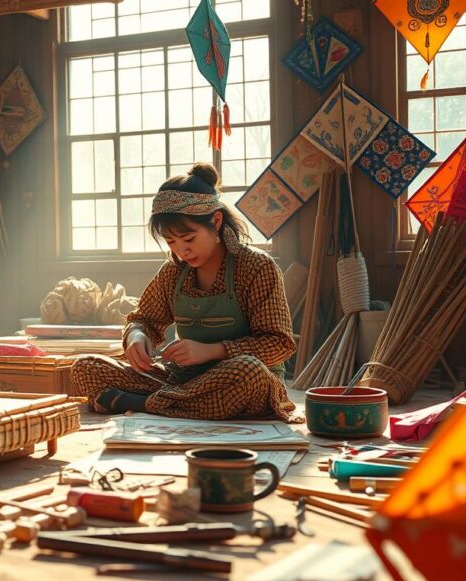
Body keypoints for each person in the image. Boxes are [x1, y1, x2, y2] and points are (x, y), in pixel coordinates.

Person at [70, 163, 301, 422]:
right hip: (183, 381)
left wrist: (213, 350)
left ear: (215, 221)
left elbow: (279, 344)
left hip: (242, 382)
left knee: (248, 372)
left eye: (189, 239)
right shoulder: (173, 272)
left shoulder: (256, 267)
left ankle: (144, 403)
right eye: (171, 242)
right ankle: (175, 403)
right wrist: (136, 336)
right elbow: (143, 319)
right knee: (85, 367)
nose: (182, 251)